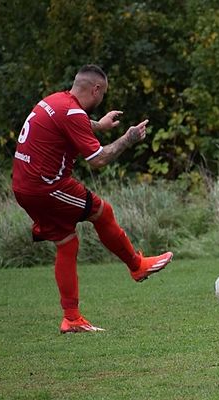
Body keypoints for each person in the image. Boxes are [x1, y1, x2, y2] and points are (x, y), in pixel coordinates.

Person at [11, 64, 173, 333]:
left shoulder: (55, 101)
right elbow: (98, 159)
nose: (102, 98)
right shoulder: (72, 112)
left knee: (67, 242)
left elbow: (75, 122)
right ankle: (137, 266)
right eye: (103, 93)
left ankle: (72, 319)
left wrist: (101, 125)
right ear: (96, 90)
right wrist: (128, 139)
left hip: (24, 185)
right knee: (101, 211)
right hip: (47, 186)